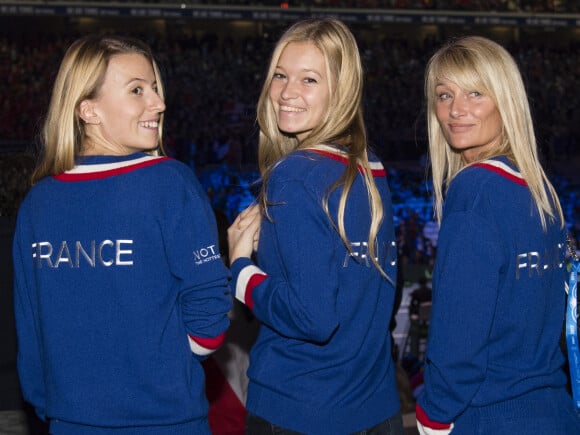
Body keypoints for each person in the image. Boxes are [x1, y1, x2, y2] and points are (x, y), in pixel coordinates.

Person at [12, 34, 232, 434]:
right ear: (88, 110)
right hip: (165, 420)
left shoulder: (36, 202)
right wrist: (165, 368)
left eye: (154, 88)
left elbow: (29, 332)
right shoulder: (169, 182)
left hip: (68, 419)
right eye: (137, 90)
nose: (158, 103)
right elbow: (210, 312)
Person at [227, 18, 403, 435]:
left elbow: (312, 317)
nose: (287, 92)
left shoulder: (296, 175)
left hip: (300, 410)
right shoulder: (370, 168)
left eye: (309, 79)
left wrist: (240, 268)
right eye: (280, 75)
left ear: (341, 91)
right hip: (376, 408)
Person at [415, 35, 580, 434]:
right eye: (444, 94)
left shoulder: (476, 190)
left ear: (505, 100)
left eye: (475, 93)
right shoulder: (540, 191)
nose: (456, 110)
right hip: (554, 411)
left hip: (491, 415)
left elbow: (459, 340)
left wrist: (431, 418)